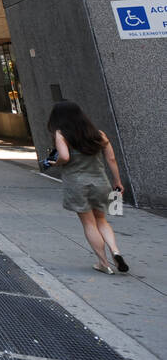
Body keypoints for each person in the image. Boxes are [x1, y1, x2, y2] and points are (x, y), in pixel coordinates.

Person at [47, 101, 128, 275]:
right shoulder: (98, 134)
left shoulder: (61, 134)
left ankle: (103, 263)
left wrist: (56, 163)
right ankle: (115, 251)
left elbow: (65, 156)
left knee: (89, 223)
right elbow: (112, 159)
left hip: (77, 184)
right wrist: (118, 181)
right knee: (102, 220)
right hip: (101, 182)